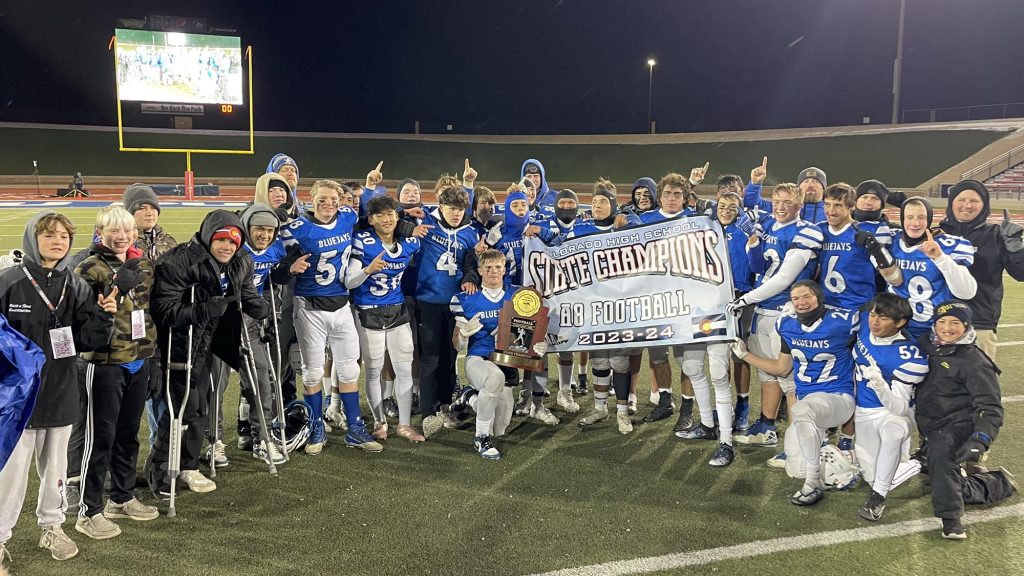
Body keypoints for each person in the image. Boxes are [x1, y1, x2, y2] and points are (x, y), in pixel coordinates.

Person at [0, 212, 117, 564]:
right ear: (32, 239)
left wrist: (104, 315)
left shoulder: (76, 285)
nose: (57, 241)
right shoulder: (8, 282)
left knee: (56, 470)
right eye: (49, 235)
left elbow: (86, 340)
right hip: (16, 398)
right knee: (10, 471)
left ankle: (52, 527)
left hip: (61, 389)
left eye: (64, 236)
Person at [146, 210, 269, 497]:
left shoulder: (240, 260)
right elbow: (163, 310)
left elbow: (244, 290)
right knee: (181, 408)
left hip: (212, 342)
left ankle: (188, 466)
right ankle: (161, 470)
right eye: (221, 240)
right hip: (180, 344)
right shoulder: (178, 262)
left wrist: (255, 305)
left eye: (233, 241)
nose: (227, 246)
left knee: (200, 406)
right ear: (208, 238)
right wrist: (202, 310)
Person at [74, 206, 159, 539]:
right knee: (100, 439)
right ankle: (88, 510)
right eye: (113, 230)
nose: (121, 236)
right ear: (100, 232)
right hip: (105, 363)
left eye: (127, 230)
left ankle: (121, 498)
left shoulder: (144, 266)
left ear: (135, 233)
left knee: (127, 435)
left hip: (138, 360)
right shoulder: (89, 268)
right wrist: (115, 291)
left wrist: (150, 356)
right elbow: (79, 318)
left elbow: (149, 313)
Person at [279, 180, 382, 454]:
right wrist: (290, 265)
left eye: (334, 199)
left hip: (341, 304)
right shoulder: (296, 229)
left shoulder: (348, 217)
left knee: (349, 368)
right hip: (309, 307)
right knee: (312, 373)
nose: (329, 204)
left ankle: (355, 428)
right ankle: (316, 427)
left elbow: (377, 223)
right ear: (311, 199)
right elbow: (277, 257)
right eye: (322, 199)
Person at [732, 281, 857, 506]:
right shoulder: (786, 324)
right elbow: (782, 368)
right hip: (811, 403)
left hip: (838, 398)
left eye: (807, 297)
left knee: (802, 410)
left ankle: (812, 484)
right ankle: (835, 464)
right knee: (795, 467)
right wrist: (744, 355)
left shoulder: (843, 322)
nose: (801, 303)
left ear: (819, 297)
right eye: (796, 298)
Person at [915, 300, 1016, 539]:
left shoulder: (975, 361)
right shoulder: (924, 346)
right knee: (942, 476)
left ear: (967, 325)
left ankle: (951, 519)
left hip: (959, 425)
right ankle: (993, 482)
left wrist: (980, 439)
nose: (947, 328)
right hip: (930, 425)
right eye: (942, 322)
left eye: (955, 323)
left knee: (941, 456)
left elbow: (990, 406)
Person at [728, 181, 818, 448]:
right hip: (763, 310)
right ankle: (766, 427)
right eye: (777, 201)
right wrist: (753, 243)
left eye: (787, 202)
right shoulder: (767, 225)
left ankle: (797, 442)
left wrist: (745, 299)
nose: (780, 207)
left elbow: (784, 278)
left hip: (786, 311)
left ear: (799, 204)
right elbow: (758, 266)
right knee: (767, 376)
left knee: (790, 380)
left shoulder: (806, 231)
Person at [450, 249, 545, 459]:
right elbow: (457, 345)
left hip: (507, 360)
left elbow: (530, 331)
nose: (493, 272)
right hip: (479, 359)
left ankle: (469, 397)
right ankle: (481, 438)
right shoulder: (467, 299)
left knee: (500, 427)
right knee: (494, 379)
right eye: (488, 268)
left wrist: (538, 345)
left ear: (504, 269)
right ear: (480, 271)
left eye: (498, 267)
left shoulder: (518, 295)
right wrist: (464, 335)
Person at [346, 195, 424, 442]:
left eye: (390, 214)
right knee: (373, 370)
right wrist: (367, 270)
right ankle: (380, 422)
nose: (386, 219)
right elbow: (349, 281)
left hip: (398, 308)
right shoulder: (363, 241)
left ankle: (404, 424)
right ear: (371, 219)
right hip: (368, 310)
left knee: (403, 368)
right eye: (380, 215)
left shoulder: (409, 242)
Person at [851, 293, 929, 521]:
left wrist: (879, 385)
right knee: (873, 476)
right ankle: (917, 464)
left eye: (883, 318)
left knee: (893, 430)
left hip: (892, 413)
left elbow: (899, 407)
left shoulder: (907, 354)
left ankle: (879, 498)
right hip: (863, 412)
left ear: (900, 322)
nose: (874, 322)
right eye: (874, 315)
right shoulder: (865, 323)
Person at [938, 179, 1024, 360]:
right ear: (951, 202)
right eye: (961, 200)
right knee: (937, 384)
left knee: (980, 384)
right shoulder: (938, 235)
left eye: (974, 201)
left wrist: (1015, 247)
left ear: (984, 205)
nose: (967, 206)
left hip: (978, 323)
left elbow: (1021, 273)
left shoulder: (996, 235)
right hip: (939, 323)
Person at [885, 197, 976, 339]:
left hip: (933, 334)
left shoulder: (947, 245)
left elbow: (967, 292)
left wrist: (940, 258)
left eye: (921, 217)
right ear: (902, 219)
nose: (915, 223)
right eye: (909, 217)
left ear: (929, 219)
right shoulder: (890, 241)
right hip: (895, 332)